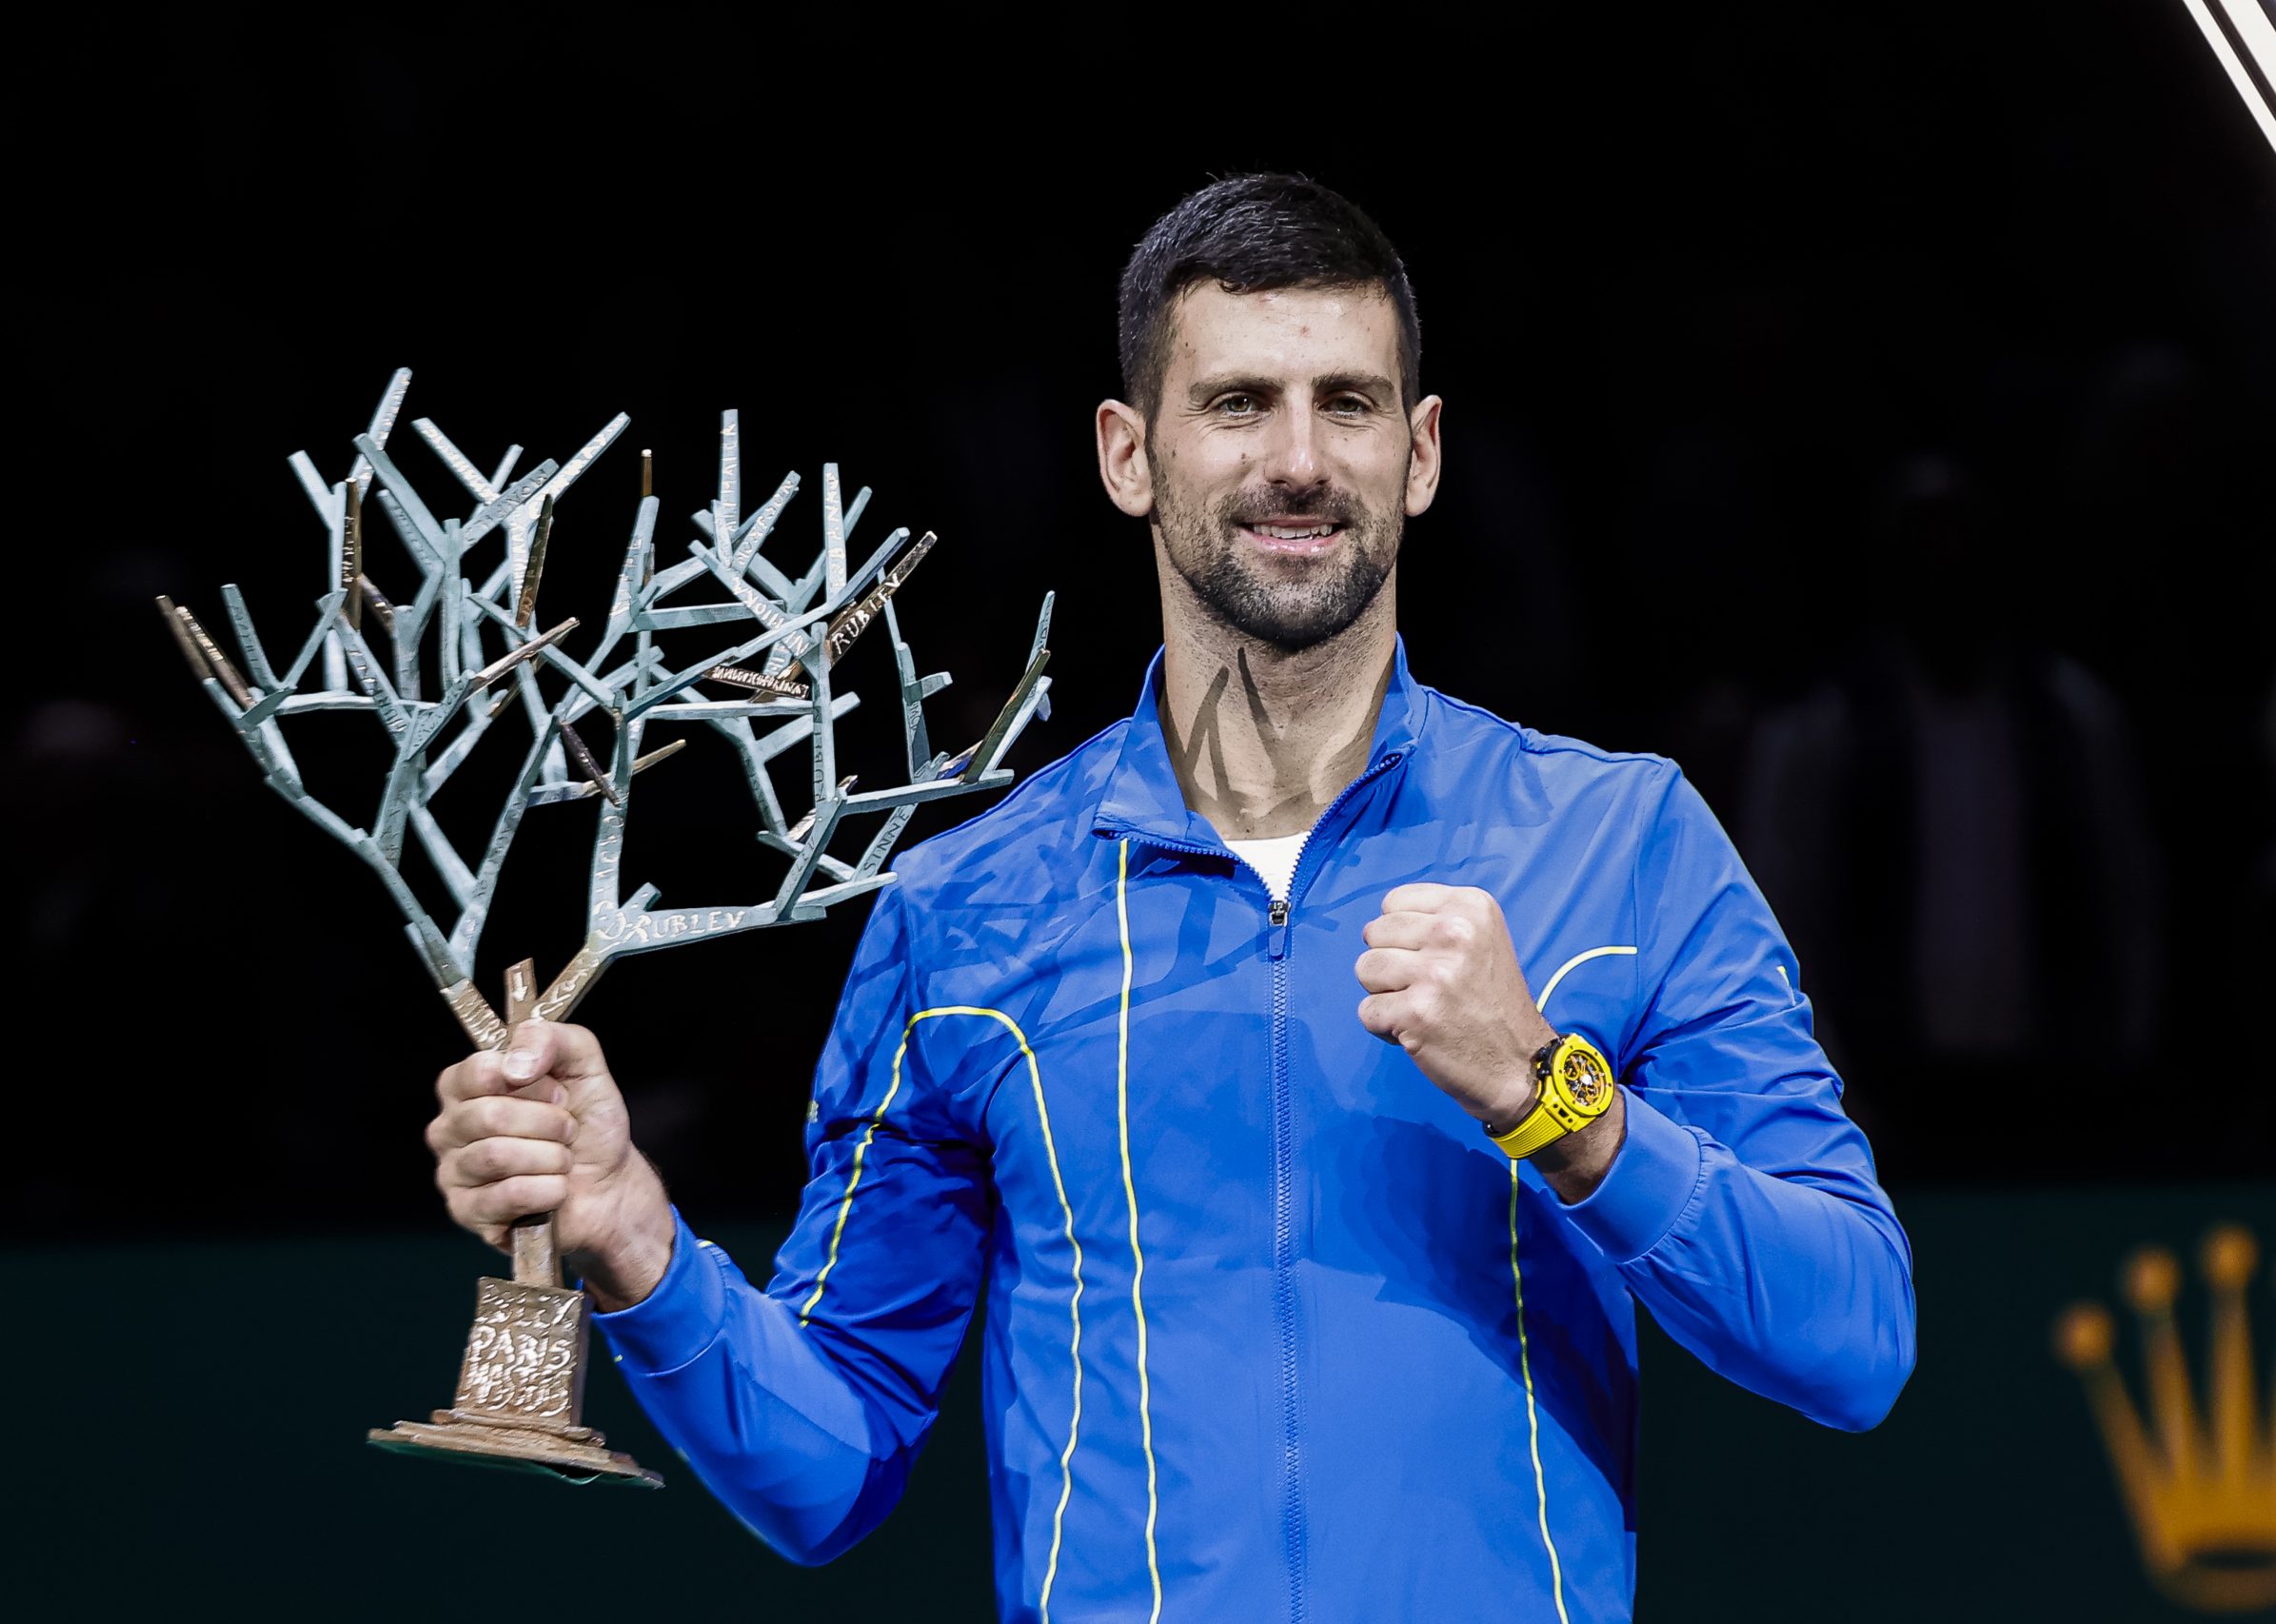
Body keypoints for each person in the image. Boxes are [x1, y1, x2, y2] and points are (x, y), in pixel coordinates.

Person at [425, 174, 1915, 1622]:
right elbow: (831, 1469)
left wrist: (1557, 1101)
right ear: (1128, 452)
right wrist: (636, 1243)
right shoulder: (970, 912)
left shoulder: (1621, 839)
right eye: (1237, 403)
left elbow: (1856, 1337)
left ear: (1424, 451)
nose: (1299, 460)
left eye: (1349, 401)